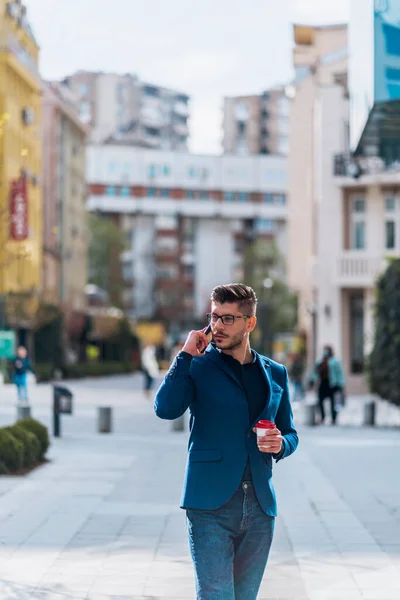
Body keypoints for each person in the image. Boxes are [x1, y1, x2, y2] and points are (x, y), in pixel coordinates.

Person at [154, 283, 298, 600]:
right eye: (215, 316)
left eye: (228, 319)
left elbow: (290, 432)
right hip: (210, 506)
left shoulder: (275, 373)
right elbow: (165, 408)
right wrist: (184, 354)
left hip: (260, 506)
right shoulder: (198, 365)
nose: (218, 326)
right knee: (216, 595)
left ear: (250, 323)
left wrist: (280, 444)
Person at [309, 345, 345, 425]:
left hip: (332, 384)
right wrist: (312, 380)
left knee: (334, 402)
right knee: (320, 401)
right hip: (322, 383)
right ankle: (322, 417)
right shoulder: (320, 361)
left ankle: (333, 418)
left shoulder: (335, 361)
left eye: (327, 350)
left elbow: (340, 373)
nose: (326, 352)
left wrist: (340, 384)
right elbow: (315, 372)